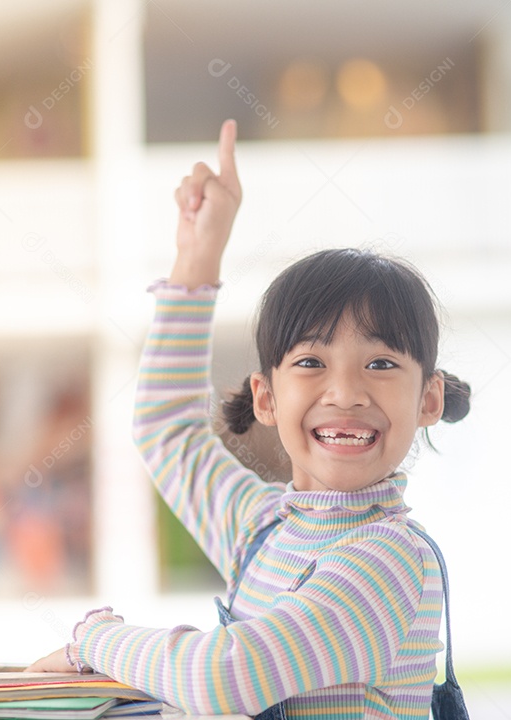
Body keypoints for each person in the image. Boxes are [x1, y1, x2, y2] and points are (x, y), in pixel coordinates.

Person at [27, 119, 472, 719]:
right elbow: (166, 430)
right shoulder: (260, 527)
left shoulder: (389, 560)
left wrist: (94, 639)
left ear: (428, 401)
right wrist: (197, 255)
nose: (345, 392)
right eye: (311, 361)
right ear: (265, 397)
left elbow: (224, 677)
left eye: (382, 362)